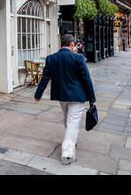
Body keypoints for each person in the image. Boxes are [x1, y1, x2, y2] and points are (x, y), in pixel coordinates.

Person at [34, 34, 96, 165]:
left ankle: (72, 141)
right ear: (72, 44)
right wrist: (92, 99)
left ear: (61, 43)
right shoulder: (78, 58)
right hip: (77, 96)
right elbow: (86, 79)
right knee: (73, 122)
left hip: (61, 96)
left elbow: (45, 77)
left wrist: (38, 95)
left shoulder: (52, 58)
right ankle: (67, 154)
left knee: (68, 119)